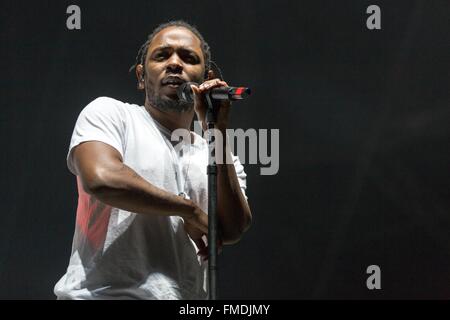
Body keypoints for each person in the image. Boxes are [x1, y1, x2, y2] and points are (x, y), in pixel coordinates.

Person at [54, 20, 252, 300]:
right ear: (141, 76)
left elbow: (232, 229)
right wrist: (189, 210)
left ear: (206, 77)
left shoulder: (218, 153)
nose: (174, 63)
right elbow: (102, 179)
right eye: (162, 55)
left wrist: (216, 131)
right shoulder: (111, 115)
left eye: (188, 58)